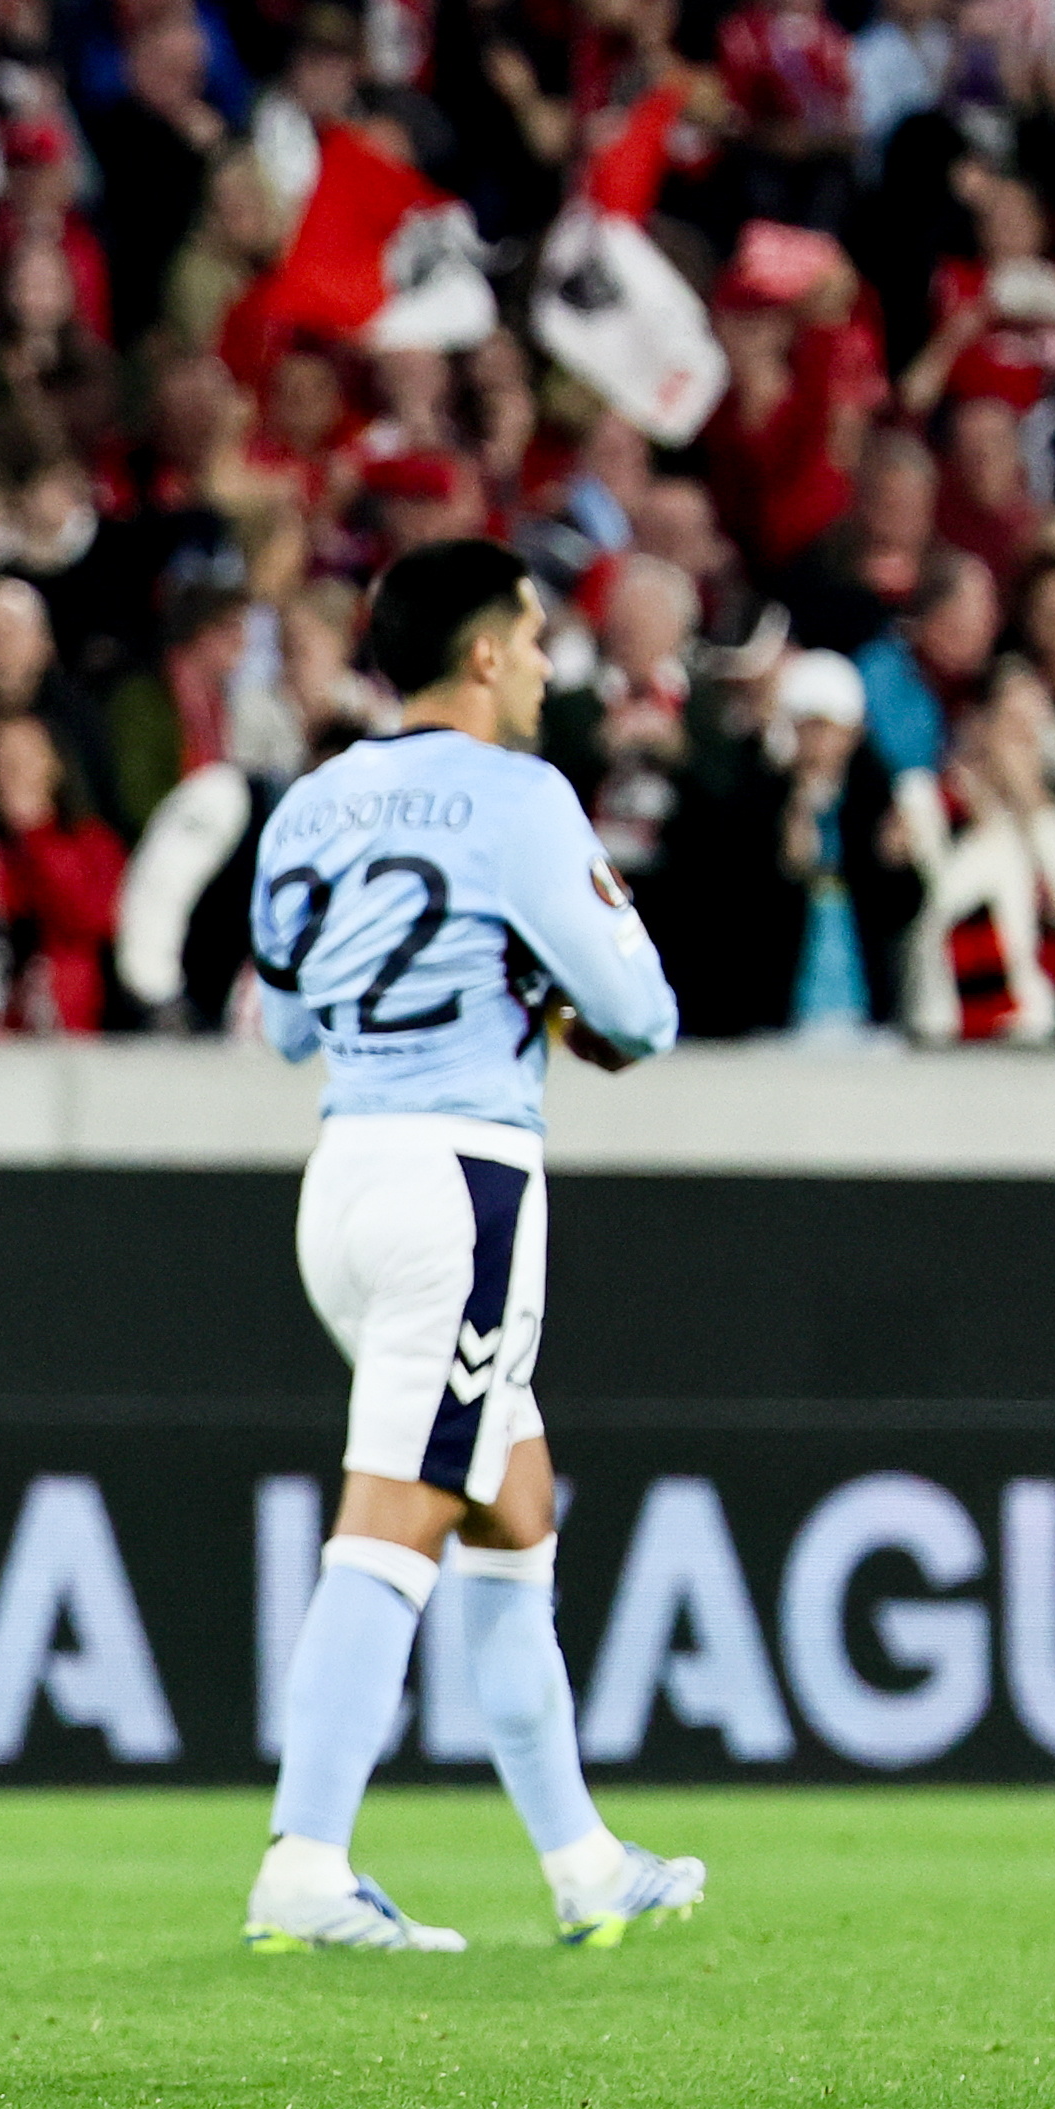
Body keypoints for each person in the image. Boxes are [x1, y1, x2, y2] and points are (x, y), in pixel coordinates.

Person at [241, 537, 705, 1956]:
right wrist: (561, 999)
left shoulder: (313, 800)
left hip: (344, 1178)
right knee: (394, 1517)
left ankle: (579, 1860)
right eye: (539, 636)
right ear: (488, 650)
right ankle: (303, 1860)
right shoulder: (521, 796)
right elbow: (639, 1013)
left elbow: (286, 1024)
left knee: (513, 1501)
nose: (554, 665)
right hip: (463, 1183)